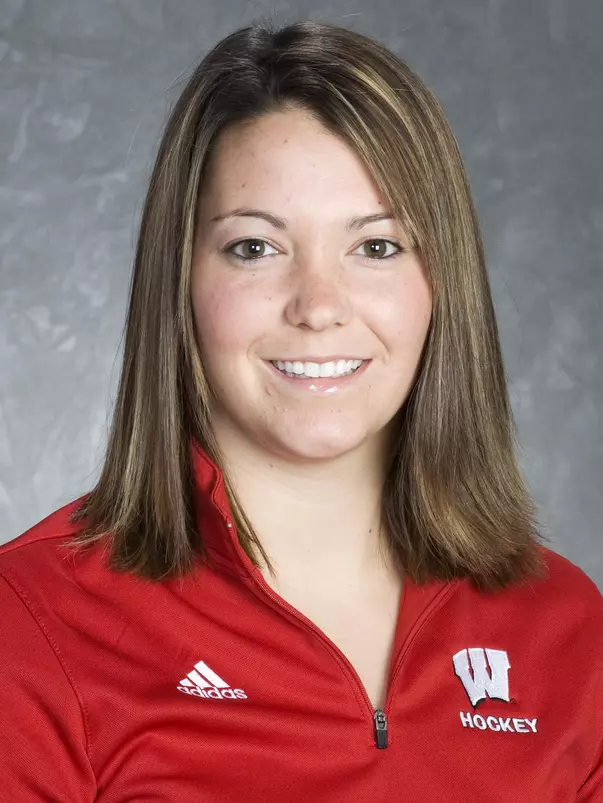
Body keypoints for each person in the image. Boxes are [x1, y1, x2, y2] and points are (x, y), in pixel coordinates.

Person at [1, 18, 601, 802]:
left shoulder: (567, 630)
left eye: (376, 247)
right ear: (179, 281)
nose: (319, 306)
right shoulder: (30, 624)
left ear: (440, 282)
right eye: (255, 247)